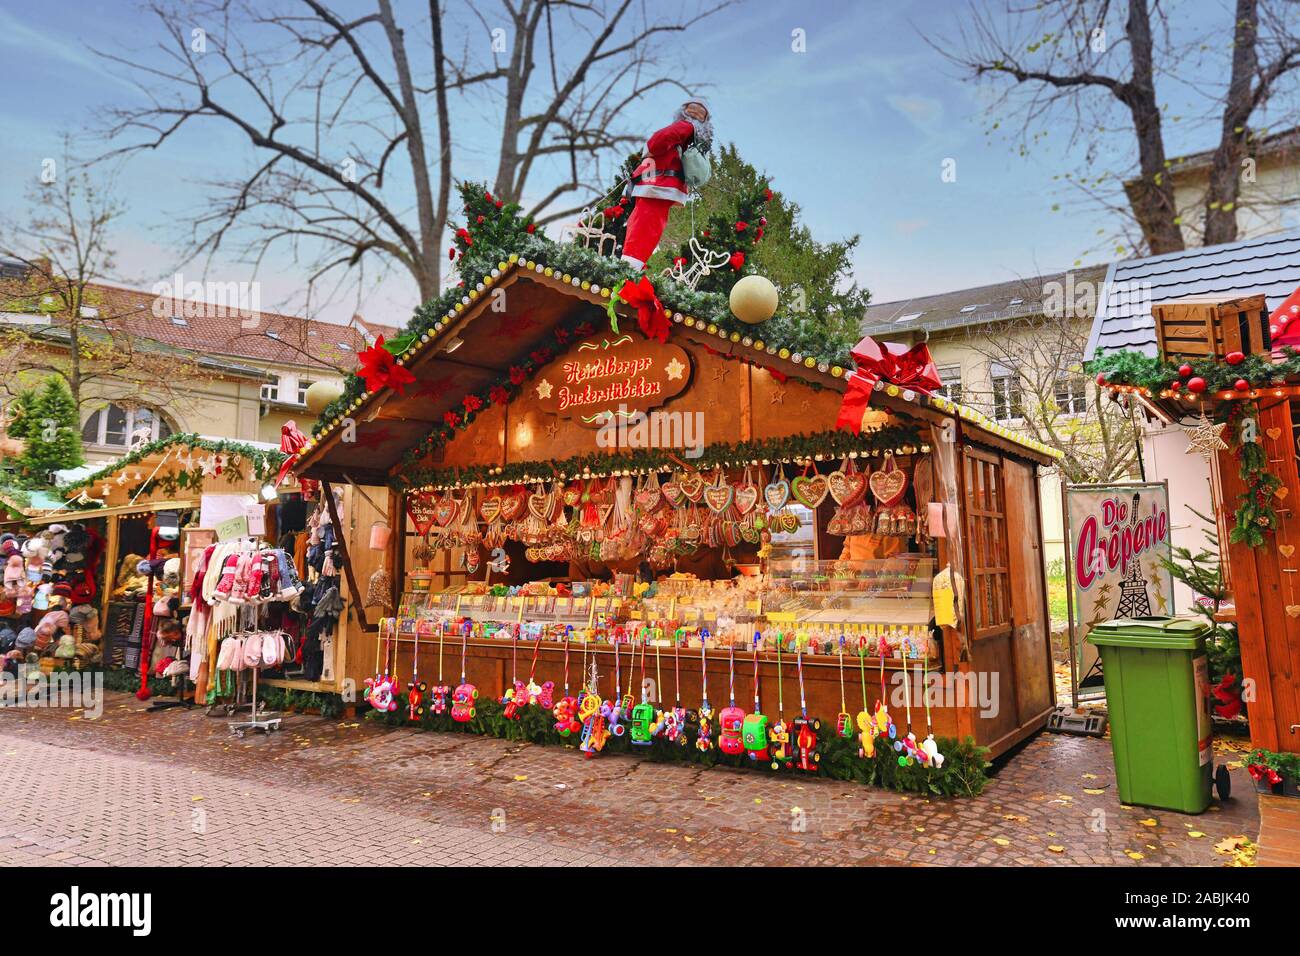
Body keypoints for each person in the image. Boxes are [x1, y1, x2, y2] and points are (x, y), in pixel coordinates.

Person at [620, 100, 713, 270]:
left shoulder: (685, 127)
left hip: (657, 186)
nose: (695, 115)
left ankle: (627, 271)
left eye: (699, 113)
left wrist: (685, 126)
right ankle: (629, 268)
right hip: (657, 187)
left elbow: (655, 143)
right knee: (643, 228)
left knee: (643, 230)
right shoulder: (692, 137)